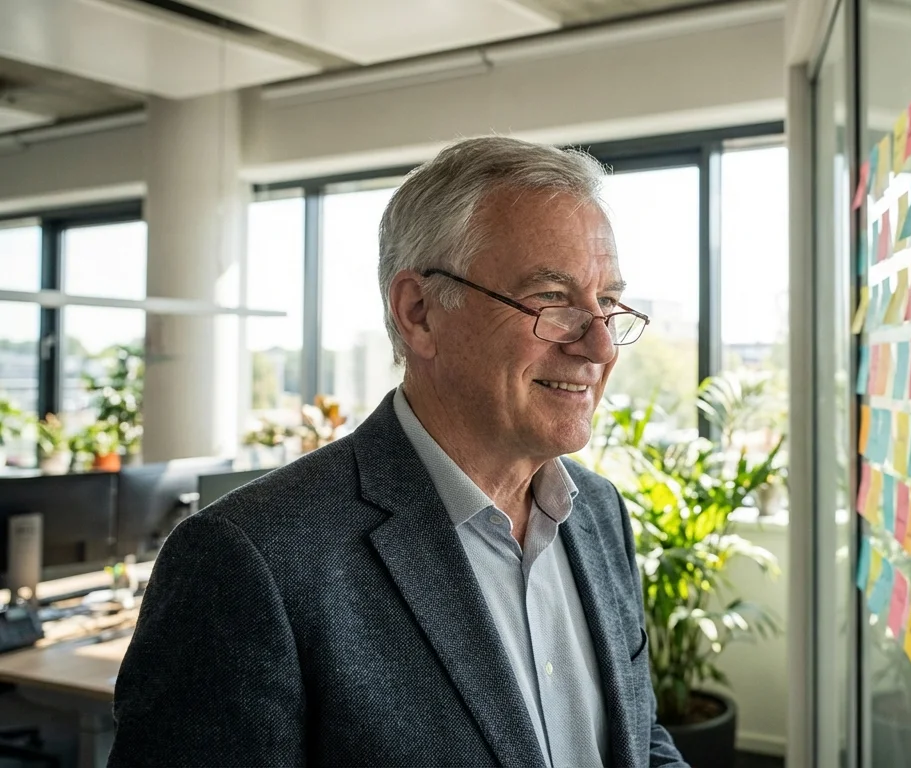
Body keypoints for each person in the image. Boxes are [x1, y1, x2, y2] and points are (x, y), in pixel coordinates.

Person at [109, 136, 686, 768]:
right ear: (419, 313)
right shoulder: (250, 563)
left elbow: (639, 740)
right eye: (552, 299)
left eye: (606, 304)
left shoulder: (599, 512)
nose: (601, 348)